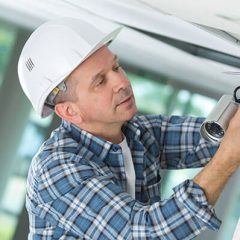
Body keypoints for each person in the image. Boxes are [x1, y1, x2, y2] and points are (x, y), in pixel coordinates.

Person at [18, 17, 240, 240]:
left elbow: (215, 136)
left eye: (115, 66)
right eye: (100, 81)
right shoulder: (56, 170)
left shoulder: (136, 133)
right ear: (69, 112)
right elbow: (144, 234)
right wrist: (226, 159)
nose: (121, 82)